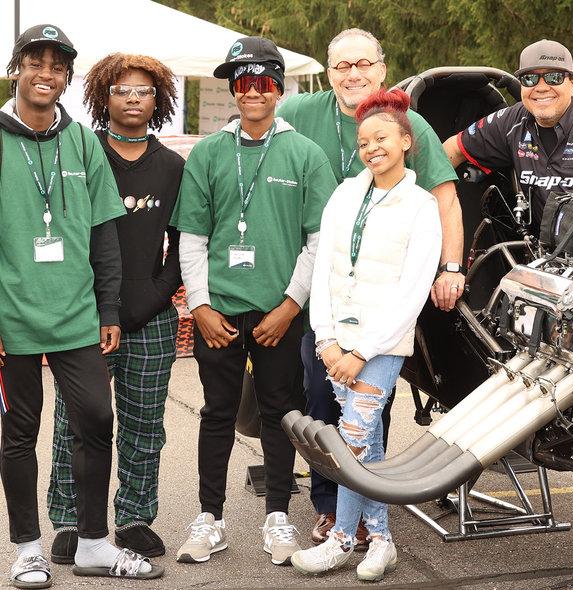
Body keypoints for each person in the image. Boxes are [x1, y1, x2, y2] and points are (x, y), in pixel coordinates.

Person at [276, 27, 461, 546]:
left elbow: (445, 198)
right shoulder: (299, 113)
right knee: (318, 394)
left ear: (381, 69)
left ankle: (366, 516)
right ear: (327, 71)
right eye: (341, 66)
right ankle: (333, 507)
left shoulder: (409, 124)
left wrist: (450, 267)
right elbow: (251, 136)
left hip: (382, 299)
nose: (352, 74)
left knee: (369, 407)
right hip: (323, 291)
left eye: (362, 64)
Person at [0, 25, 162, 586]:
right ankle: (27, 548)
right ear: (16, 67)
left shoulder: (83, 142)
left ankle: (93, 543)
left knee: (96, 418)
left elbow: (104, 235)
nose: (46, 74)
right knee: (20, 431)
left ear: (68, 76)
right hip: (12, 316)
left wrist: (109, 311)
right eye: (35, 62)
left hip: (76, 317)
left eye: (58, 66)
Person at [171, 37, 337, 566]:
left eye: (264, 81)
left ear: (279, 87)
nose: (253, 92)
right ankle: (210, 517)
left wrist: (291, 306)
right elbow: (191, 239)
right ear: (233, 89)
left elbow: (319, 241)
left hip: (279, 311)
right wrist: (199, 305)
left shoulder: (304, 154)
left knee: (279, 411)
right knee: (217, 411)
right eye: (242, 82)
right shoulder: (210, 152)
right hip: (218, 309)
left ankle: (279, 517)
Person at [290, 87, 441, 582]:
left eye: (382, 137)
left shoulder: (421, 206)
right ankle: (380, 540)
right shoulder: (345, 193)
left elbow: (413, 292)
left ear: (405, 140)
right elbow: (325, 270)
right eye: (363, 141)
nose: (372, 147)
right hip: (336, 340)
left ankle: (340, 540)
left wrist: (360, 351)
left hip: (379, 346)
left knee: (352, 436)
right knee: (367, 439)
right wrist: (327, 339)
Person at [47, 53, 184, 563]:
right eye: (121, 90)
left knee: (145, 424)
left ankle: (133, 516)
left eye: (143, 91)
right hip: (82, 317)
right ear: (102, 97)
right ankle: (69, 519)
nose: (132, 98)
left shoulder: (172, 166)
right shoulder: (81, 153)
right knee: (74, 422)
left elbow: (183, 242)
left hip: (150, 320)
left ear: (159, 100)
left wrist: (153, 297)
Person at [443, 39, 573, 227]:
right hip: (541, 257)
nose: (541, 87)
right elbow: (450, 151)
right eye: (529, 79)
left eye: (554, 77)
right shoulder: (511, 121)